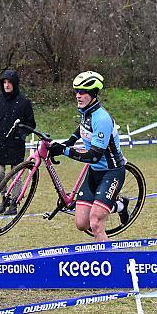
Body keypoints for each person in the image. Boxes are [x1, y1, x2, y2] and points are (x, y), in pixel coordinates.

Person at [48, 71, 129, 241]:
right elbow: (83, 128)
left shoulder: (102, 119)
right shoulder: (85, 112)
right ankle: (117, 205)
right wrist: (68, 143)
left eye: (83, 91)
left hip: (111, 172)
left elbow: (93, 157)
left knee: (96, 223)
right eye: (76, 91)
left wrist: (64, 150)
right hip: (94, 174)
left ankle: (110, 262)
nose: (78, 95)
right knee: (81, 224)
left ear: (93, 94)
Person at [0, 69, 35, 214]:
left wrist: (20, 135)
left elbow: (31, 124)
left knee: (16, 175)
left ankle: (14, 202)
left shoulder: (24, 102)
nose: (7, 85)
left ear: (15, 83)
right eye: (4, 82)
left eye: (9, 82)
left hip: (16, 145)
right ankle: (4, 198)